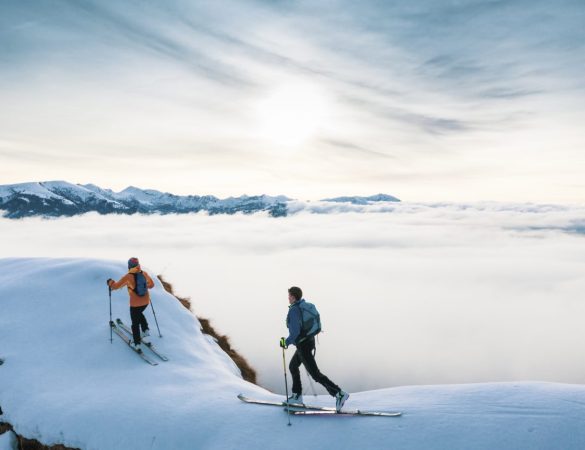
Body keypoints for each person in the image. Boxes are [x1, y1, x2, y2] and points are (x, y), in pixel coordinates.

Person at [280, 286, 349, 412]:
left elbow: (295, 332)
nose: (288, 298)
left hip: (303, 345)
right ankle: (297, 396)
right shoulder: (304, 305)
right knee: (293, 366)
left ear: (293, 297)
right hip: (309, 341)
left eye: (289, 295)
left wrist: (286, 342)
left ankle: (339, 394)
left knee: (315, 374)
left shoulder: (294, 310)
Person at [107, 257, 155, 351]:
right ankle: (145, 329)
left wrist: (110, 282)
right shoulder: (144, 273)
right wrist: (144, 287)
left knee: (135, 323)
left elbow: (116, 286)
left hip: (135, 303)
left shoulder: (128, 276)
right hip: (145, 301)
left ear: (129, 266)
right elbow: (152, 285)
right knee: (139, 313)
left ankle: (136, 343)